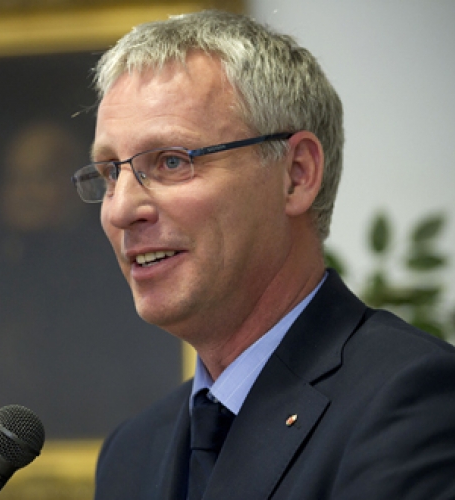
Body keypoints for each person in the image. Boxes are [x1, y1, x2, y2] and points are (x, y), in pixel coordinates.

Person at [70, 9, 455, 500]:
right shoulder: (131, 453)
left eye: (171, 161)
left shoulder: (412, 402)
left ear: (296, 175)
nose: (121, 209)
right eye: (110, 172)